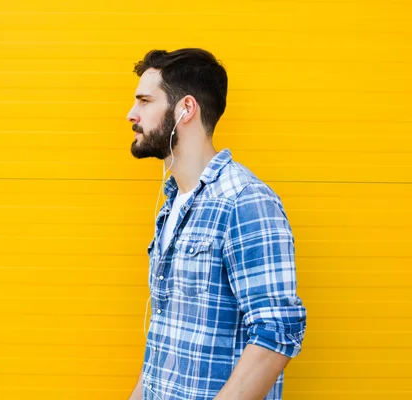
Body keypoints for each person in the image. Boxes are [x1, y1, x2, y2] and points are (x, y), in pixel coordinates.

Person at [126, 48, 307, 400]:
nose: (132, 114)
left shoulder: (245, 200)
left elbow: (277, 331)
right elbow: (166, 338)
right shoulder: (171, 206)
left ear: (186, 109)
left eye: (145, 101)